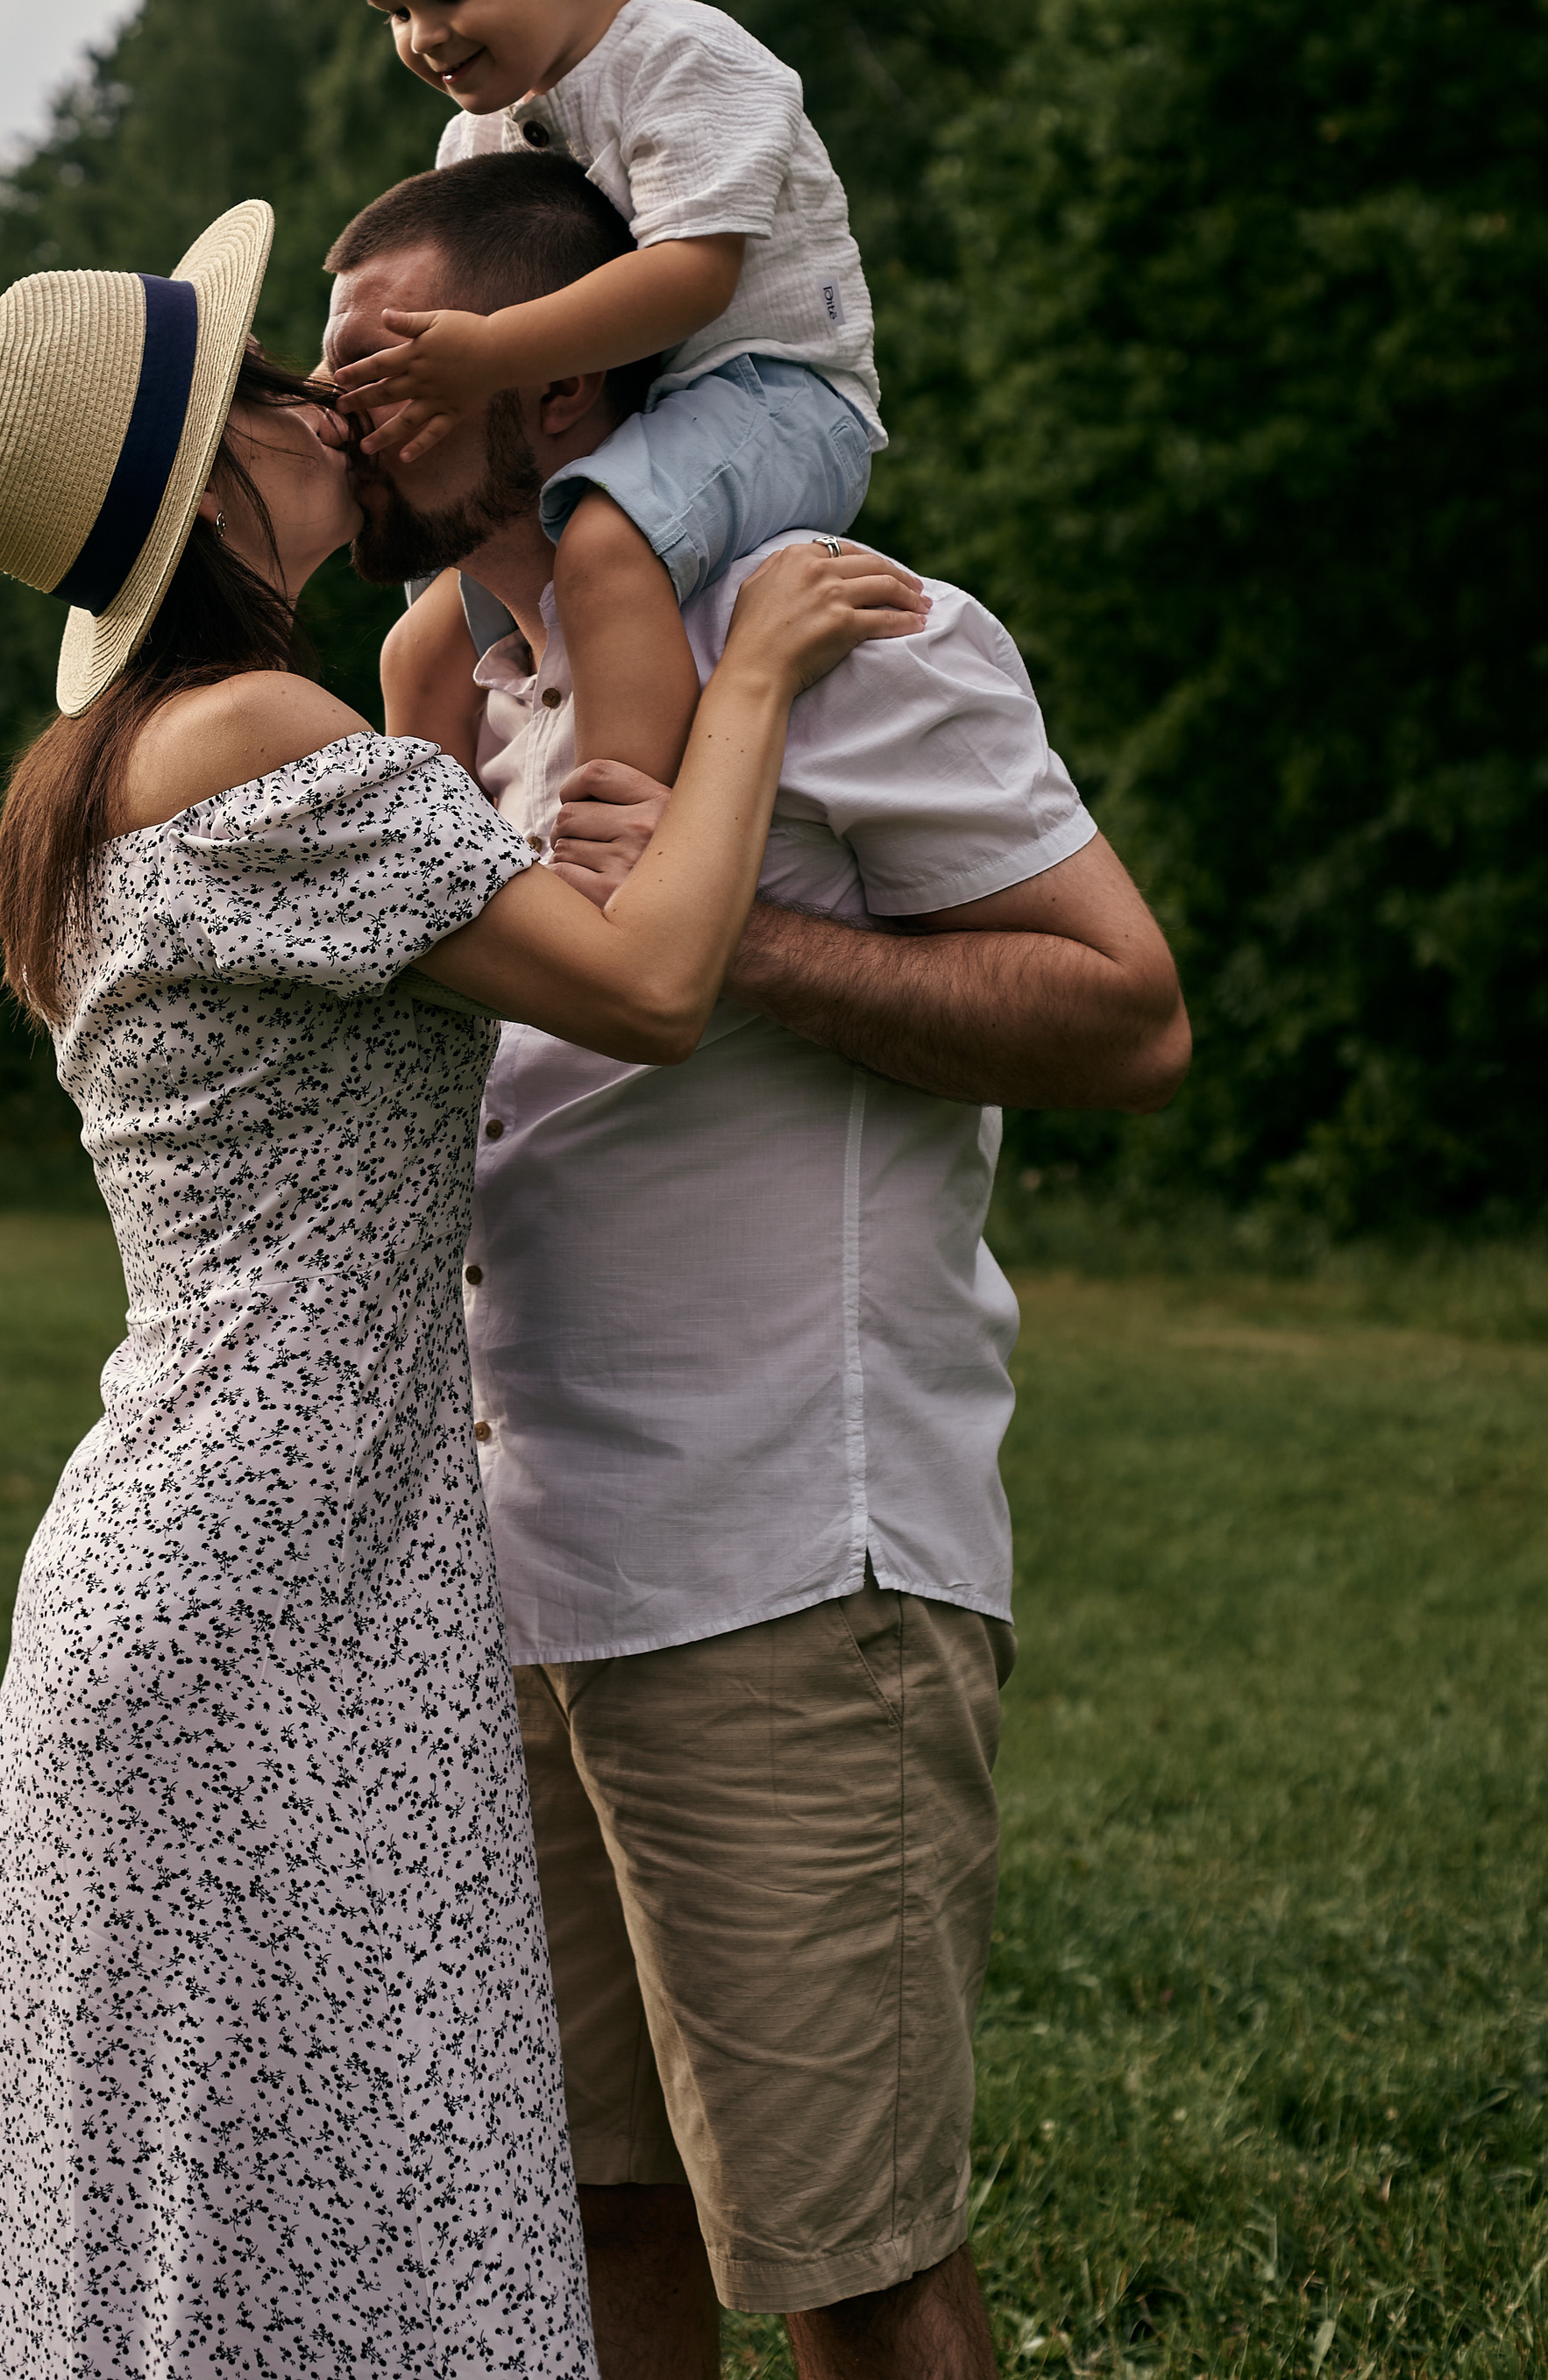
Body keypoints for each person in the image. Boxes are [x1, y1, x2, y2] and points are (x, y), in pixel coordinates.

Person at [0, 198, 926, 2380]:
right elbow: (645, 984)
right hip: (271, 1586)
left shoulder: (125, 769)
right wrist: (754, 679)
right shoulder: (250, 734)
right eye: (264, 380)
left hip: (219, 1552)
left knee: (200, 2229)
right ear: (209, 476)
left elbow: (456, 742)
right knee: (305, 2218)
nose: (318, 397)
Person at [323, 157, 1192, 2380]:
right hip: (511, 1577)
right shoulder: (459, 692)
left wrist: (743, 940)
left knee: (846, 2259)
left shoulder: (839, 633)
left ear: (558, 388)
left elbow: (1125, 1018)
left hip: (781, 1563)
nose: (338, 410)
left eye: (385, 364)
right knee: (582, 2213)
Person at [323, 0, 881, 793]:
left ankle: (622, 820)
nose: (422, 36)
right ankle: (433, 863)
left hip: (776, 396)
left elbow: (691, 278)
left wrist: (490, 354)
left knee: (604, 548)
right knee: (417, 642)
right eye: (392, 10)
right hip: (622, 422)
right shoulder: (476, 137)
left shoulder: (685, 61)